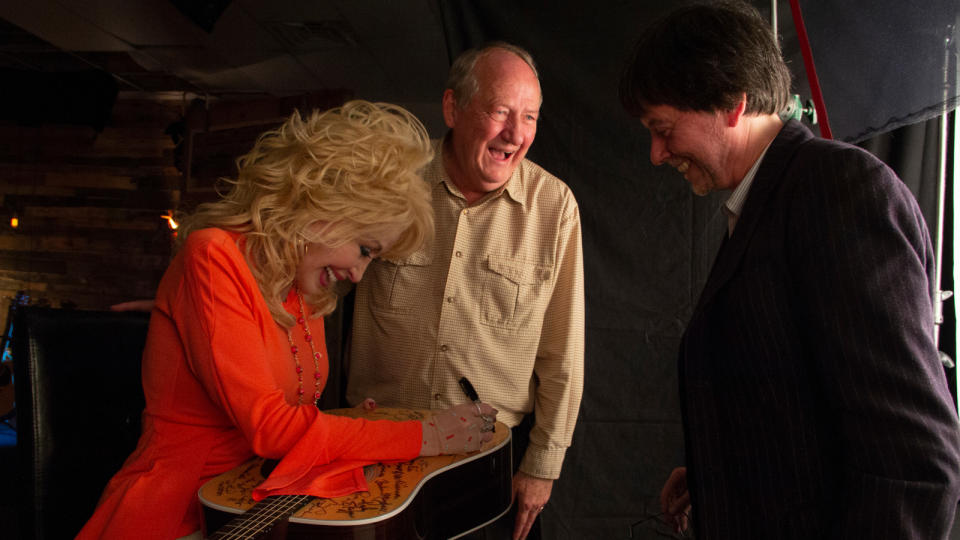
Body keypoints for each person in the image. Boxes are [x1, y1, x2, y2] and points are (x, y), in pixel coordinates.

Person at [77, 100, 498, 540]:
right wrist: (425, 436)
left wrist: (355, 429)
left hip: (253, 502)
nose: (358, 274)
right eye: (365, 249)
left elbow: (292, 416)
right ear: (322, 206)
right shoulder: (213, 255)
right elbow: (273, 429)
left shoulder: (301, 288)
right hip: (178, 512)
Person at [619, 2, 960, 539]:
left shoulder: (838, 192)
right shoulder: (765, 200)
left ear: (733, 103)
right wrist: (720, 472)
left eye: (664, 129)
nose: (657, 153)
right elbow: (795, 394)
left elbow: (912, 464)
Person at [346, 43, 585, 540]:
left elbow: (564, 354)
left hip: (486, 465)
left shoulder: (555, 208)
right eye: (500, 112)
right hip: (374, 455)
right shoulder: (389, 185)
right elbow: (325, 298)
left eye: (530, 118)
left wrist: (543, 464)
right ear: (453, 108)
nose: (515, 135)